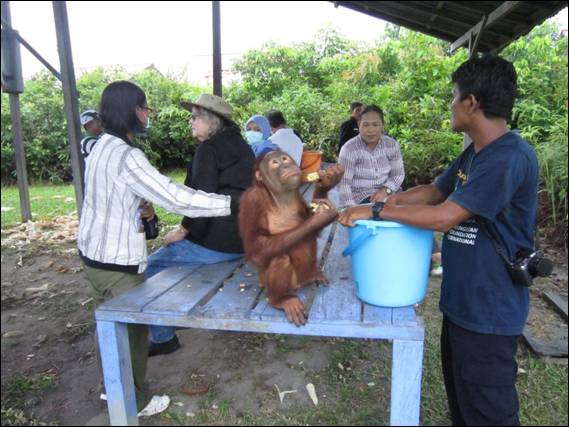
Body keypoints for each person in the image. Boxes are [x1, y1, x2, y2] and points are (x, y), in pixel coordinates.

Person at [339, 55, 538, 426]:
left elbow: (445, 215)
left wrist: (377, 212)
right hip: (463, 302)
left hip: (489, 309)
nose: (450, 104)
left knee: (489, 411)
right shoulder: (476, 153)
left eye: (453, 96)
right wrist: (387, 200)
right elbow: (433, 191)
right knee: (463, 404)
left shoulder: (508, 157)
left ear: (472, 102)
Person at [77, 81, 234, 411]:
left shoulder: (100, 145)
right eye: (145, 107)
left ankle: (112, 386)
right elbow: (176, 197)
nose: (148, 114)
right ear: (133, 111)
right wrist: (231, 204)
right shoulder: (127, 155)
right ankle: (135, 400)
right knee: (132, 332)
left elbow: (106, 197)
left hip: (92, 255)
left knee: (108, 324)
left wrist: (138, 207)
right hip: (116, 263)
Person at [146, 94, 255, 356]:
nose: (190, 122)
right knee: (179, 263)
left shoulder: (209, 150)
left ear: (212, 121)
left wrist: (182, 231)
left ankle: (163, 338)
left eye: (195, 117)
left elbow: (200, 202)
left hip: (222, 241)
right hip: (244, 238)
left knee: (151, 267)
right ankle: (174, 316)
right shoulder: (240, 144)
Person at [338, 105, 404, 207]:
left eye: (375, 124)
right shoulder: (349, 149)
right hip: (361, 199)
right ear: (359, 125)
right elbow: (344, 185)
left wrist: (386, 190)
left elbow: (398, 175)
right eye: (365, 125)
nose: (370, 130)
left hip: (389, 194)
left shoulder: (391, 145)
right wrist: (352, 209)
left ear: (382, 126)